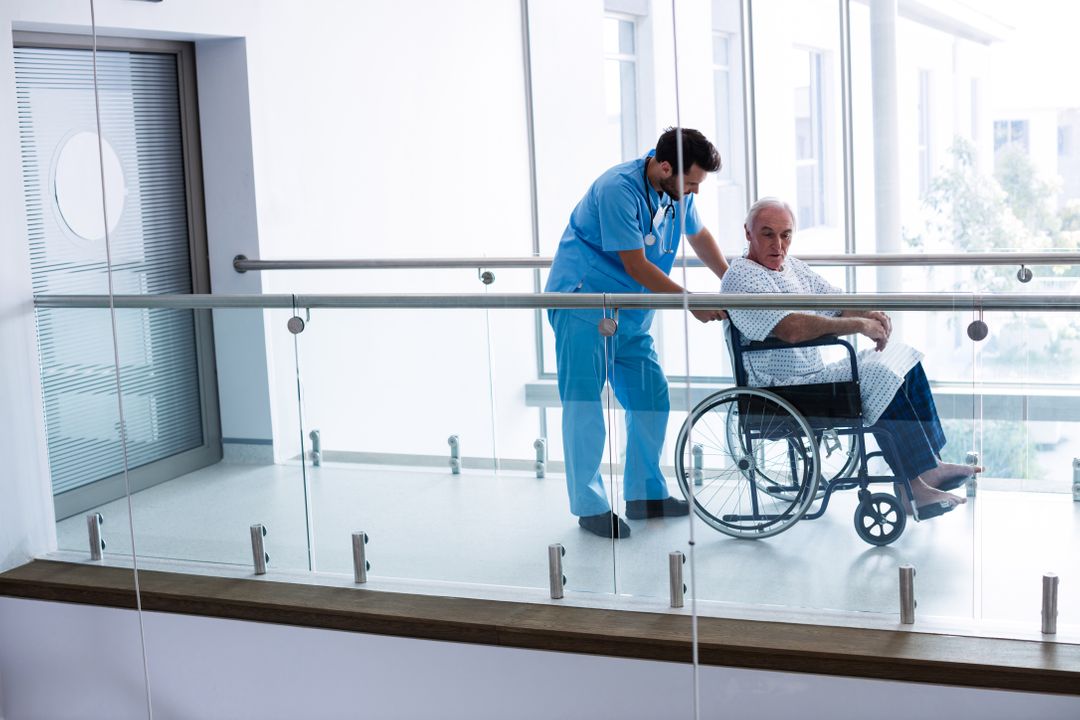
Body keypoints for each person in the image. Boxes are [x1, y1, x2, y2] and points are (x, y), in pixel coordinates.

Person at [721, 197, 982, 521]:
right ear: (748, 234)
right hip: (780, 391)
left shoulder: (792, 267)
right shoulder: (742, 277)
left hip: (811, 377)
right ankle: (911, 485)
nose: (778, 244)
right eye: (767, 234)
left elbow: (832, 301)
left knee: (903, 360)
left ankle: (929, 467)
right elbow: (791, 329)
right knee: (880, 375)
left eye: (786, 235)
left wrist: (867, 313)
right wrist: (858, 325)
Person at [546, 128, 730, 538]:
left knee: (651, 396)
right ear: (666, 167)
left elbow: (697, 236)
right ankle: (590, 506)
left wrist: (732, 280)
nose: (694, 191)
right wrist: (692, 302)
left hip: (630, 312)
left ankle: (645, 495)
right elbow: (636, 264)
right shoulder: (618, 189)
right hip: (584, 303)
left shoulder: (675, 191)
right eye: (693, 182)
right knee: (584, 407)